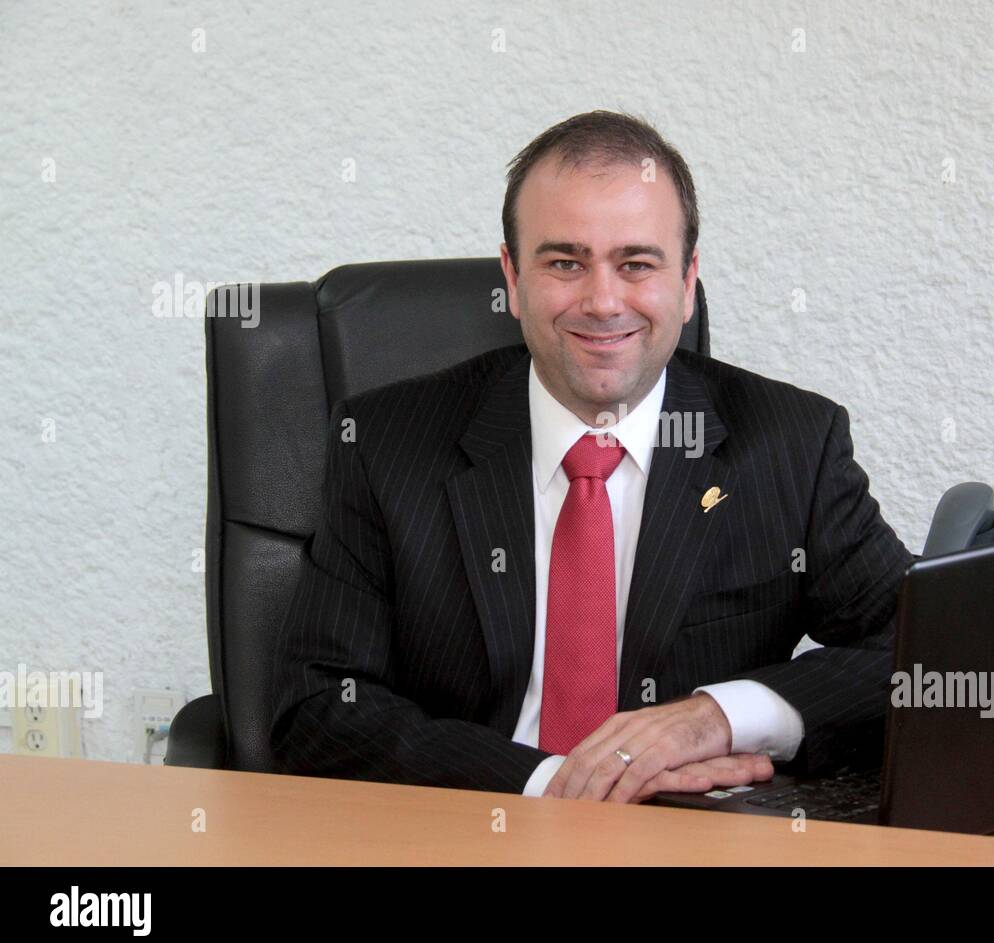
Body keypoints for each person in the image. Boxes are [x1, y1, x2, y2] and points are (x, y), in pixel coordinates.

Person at [270, 109, 913, 803]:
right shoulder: (387, 443)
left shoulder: (791, 445)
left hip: (691, 843)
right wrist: (554, 783)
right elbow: (318, 703)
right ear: (513, 279)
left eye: (636, 264)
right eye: (564, 263)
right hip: (471, 830)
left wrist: (719, 717)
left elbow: (925, 655)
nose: (603, 301)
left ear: (688, 282)